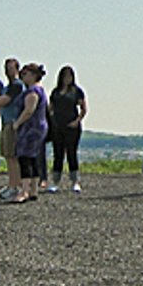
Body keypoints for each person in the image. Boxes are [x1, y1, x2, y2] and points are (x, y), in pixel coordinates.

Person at [9, 62, 49, 202]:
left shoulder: (33, 91)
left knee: (25, 158)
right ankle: (33, 189)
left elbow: (29, 110)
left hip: (31, 128)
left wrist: (17, 123)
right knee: (33, 158)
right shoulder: (40, 89)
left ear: (33, 75)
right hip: (38, 127)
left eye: (25, 74)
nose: (23, 77)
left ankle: (24, 191)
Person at [48, 65, 87, 194]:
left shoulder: (76, 91)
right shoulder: (55, 92)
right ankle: (55, 181)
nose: (67, 79)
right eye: (65, 76)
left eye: (69, 76)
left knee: (72, 153)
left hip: (72, 127)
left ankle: (75, 181)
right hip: (57, 126)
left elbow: (83, 108)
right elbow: (50, 108)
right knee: (58, 155)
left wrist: (77, 121)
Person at [0, 58, 27, 201]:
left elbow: (3, 101)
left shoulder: (17, 86)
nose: (8, 71)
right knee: (8, 156)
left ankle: (15, 186)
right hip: (5, 122)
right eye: (6, 68)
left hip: (13, 123)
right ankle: (11, 184)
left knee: (12, 156)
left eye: (11, 68)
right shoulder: (8, 86)